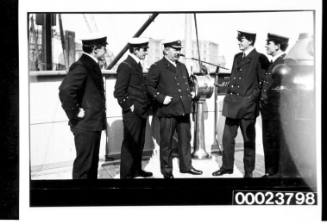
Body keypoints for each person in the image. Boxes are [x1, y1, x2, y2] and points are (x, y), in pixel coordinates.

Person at [212, 31, 269, 178]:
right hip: (232, 105)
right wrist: (224, 86)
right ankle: (227, 167)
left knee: (248, 140)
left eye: (241, 40)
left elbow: (263, 83)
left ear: (250, 41)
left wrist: (250, 100)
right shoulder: (237, 57)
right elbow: (234, 78)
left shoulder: (260, 58)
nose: (238, 42)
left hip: (247, 107)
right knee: (227, 138)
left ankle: (248, 172)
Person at [146, 39, 203, 179]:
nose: (178, 52)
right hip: (168, 111)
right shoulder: (157, 67)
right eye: (175, 49)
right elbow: (149, 87)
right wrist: (161, 98)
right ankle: (167, 171)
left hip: (183, 109)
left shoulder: (182, 67)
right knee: (166, 143)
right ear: (165, 50)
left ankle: (186, 167)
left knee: (185, 140)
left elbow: (188, 83)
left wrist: (191, 93)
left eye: (179, 50)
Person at [59, 33, 108, 179]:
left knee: (91, 165)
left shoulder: (90, 64)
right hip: (86, 124)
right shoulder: (82, 66)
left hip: (93, 123)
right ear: (95, 49)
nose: (105, 49)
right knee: (84, 168)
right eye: (103, 47)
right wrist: (75, 112)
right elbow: (65, 90)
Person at [114, 37, 153, 179]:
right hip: (133, 114)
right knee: (130, 144)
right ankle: (126, 176)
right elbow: (119, 92)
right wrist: (131, 107)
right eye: (144, 49)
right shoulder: (126, 65)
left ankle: (137, 170)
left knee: (139, 143)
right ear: (136, 50)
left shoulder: (136, 64)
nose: (146, 52)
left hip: (141, 112)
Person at [260, 33, 289, 178]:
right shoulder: (274, 62)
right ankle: (269, 172)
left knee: (276, 142)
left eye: (268, 43)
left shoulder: (285, 62)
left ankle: (275, 173)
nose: (266, 45)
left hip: (277, 111)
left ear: (277, 46)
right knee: (268, 142)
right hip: (267, 111)